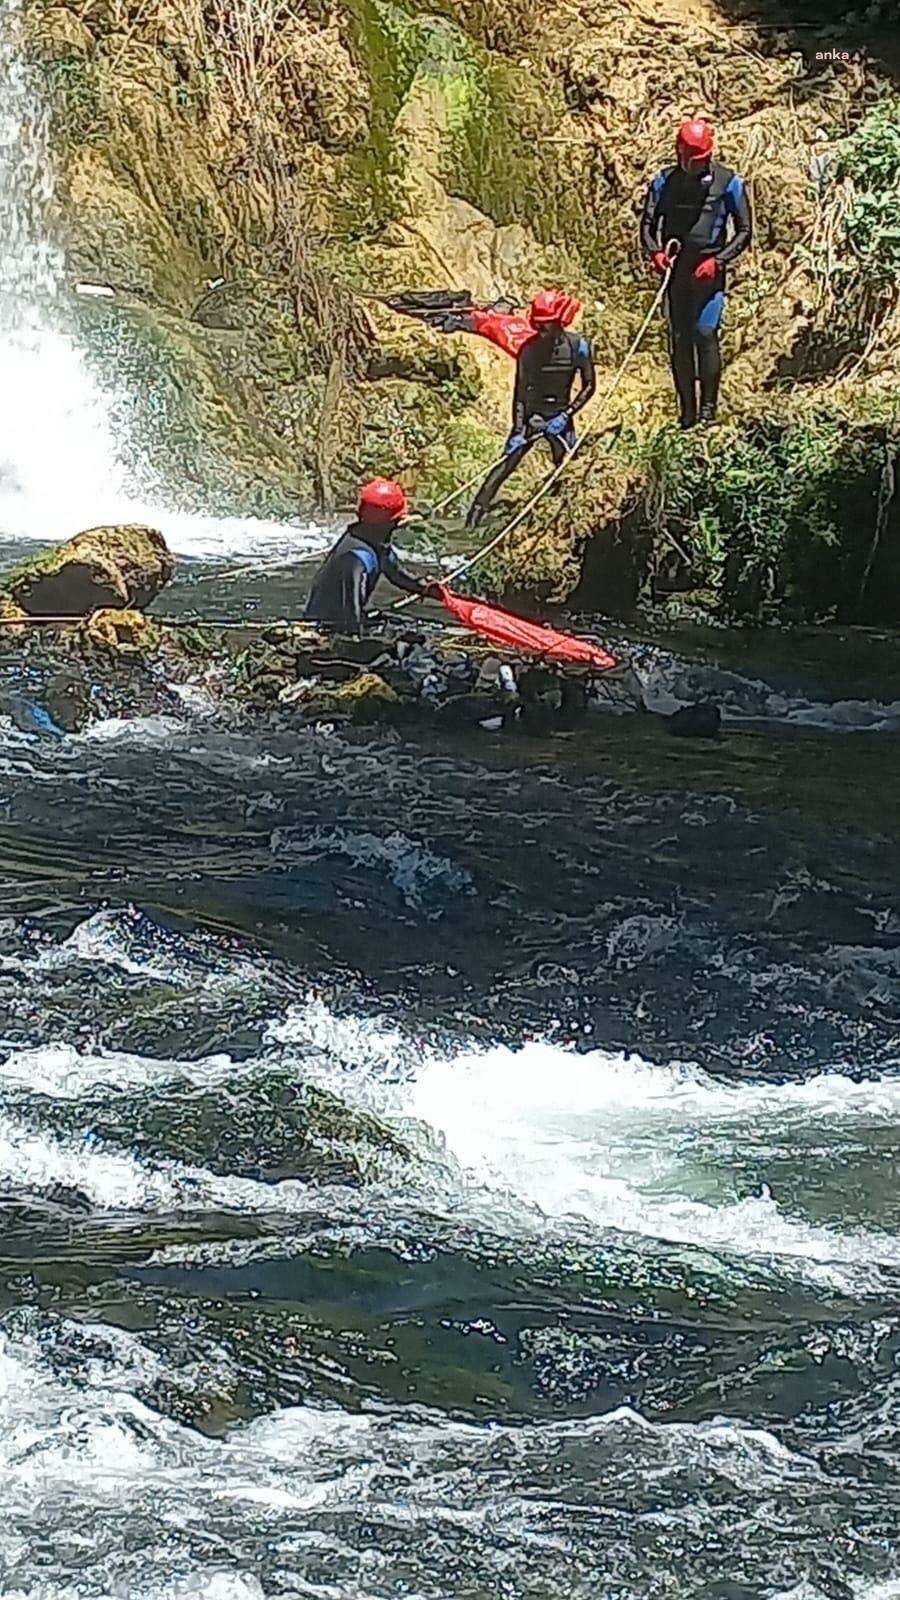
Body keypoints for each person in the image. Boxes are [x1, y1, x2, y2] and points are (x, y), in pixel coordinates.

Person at [438, 289, 596, 529]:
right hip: (532, 415)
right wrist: (519, 430)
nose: (541, 332)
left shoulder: (579, 347)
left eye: (546, 326)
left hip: (562, 417)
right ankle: (472, 519)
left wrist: (567, 415)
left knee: (569, 468)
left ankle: (563, 519)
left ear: (558, 322)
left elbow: (589, 386)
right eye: (538, 326)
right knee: (504, 466)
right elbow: (520, 394)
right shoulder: (528, 351)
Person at [640, 118, 752, 428]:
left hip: (708, 273)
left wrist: (718, 261)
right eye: (694, 160)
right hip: (676, 273)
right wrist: (656, 254)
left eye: (704, 160)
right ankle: (687, 413)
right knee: (680, 340)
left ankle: (708, 412)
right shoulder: (663, 182)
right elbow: (647, 228)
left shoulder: (728, 182)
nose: (700, 166)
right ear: (680, 154)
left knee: (705, 334)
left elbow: (744, 232)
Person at [304, 478, 438, 633]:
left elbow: (396, 575)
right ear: (388, 523)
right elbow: (351, 611)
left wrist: (428, 589)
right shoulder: (356, 556)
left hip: (348, 619)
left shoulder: (375, 542)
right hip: (326, 627)